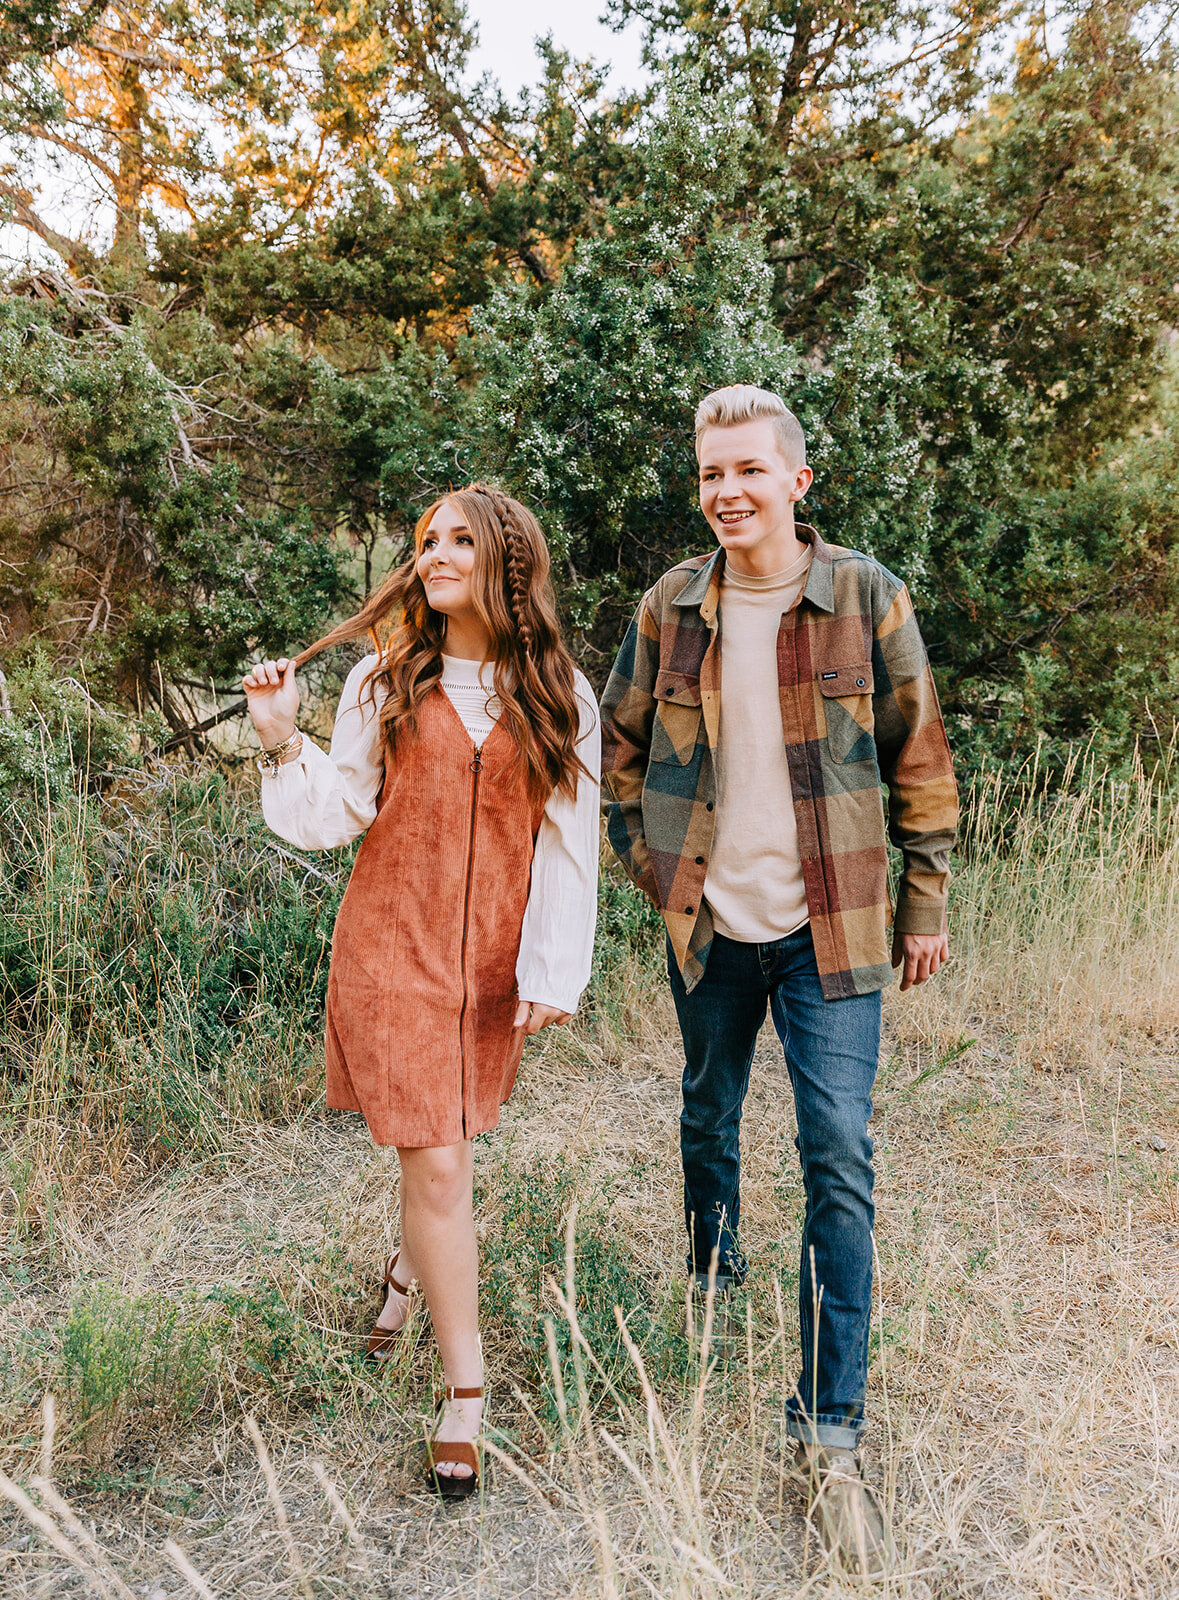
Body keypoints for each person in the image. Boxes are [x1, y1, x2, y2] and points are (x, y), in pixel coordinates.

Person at [599, 385, 957, 1574]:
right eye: (710, 473)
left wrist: (925, 900)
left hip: (833, 926)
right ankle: (711, 1263)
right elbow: (618, 748)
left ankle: (829, 1435)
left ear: (797, 481)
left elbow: (919, 751)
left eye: (749, 470)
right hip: (710, 921)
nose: (727, 492)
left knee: (838, 1160)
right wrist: (653, 870)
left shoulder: (864, 594)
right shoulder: (671, 607)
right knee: (708, 1106)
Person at [242, 485, 599, 1499]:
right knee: (440, 1165)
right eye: (425, 541)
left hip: (490, 969)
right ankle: (465, 1392)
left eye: (457, 538)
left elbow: (573, 843)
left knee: (447, 1144)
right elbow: (332, 814)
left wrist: (551, 968)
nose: (434, 553)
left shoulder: (557, 693)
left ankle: (407, 1272)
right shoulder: (381, 682)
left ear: (507, 559)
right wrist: (277, 734)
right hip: (390, 952)